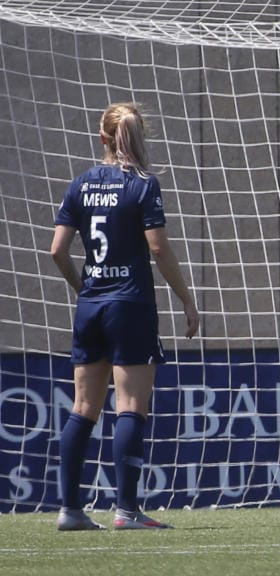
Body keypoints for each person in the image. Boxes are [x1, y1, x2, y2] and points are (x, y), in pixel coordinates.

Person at [50, 102, 200, 531]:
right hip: (130, 304)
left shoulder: (80, 184)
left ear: (103, 138)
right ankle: (127, 511)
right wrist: (186, 299)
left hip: (91, 305)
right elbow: (157, 247)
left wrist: (84, 287)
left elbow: (57, 250)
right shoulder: (143, 185)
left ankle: (70, 511)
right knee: (131, 405)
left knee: (83, 407)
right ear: (138, 138)